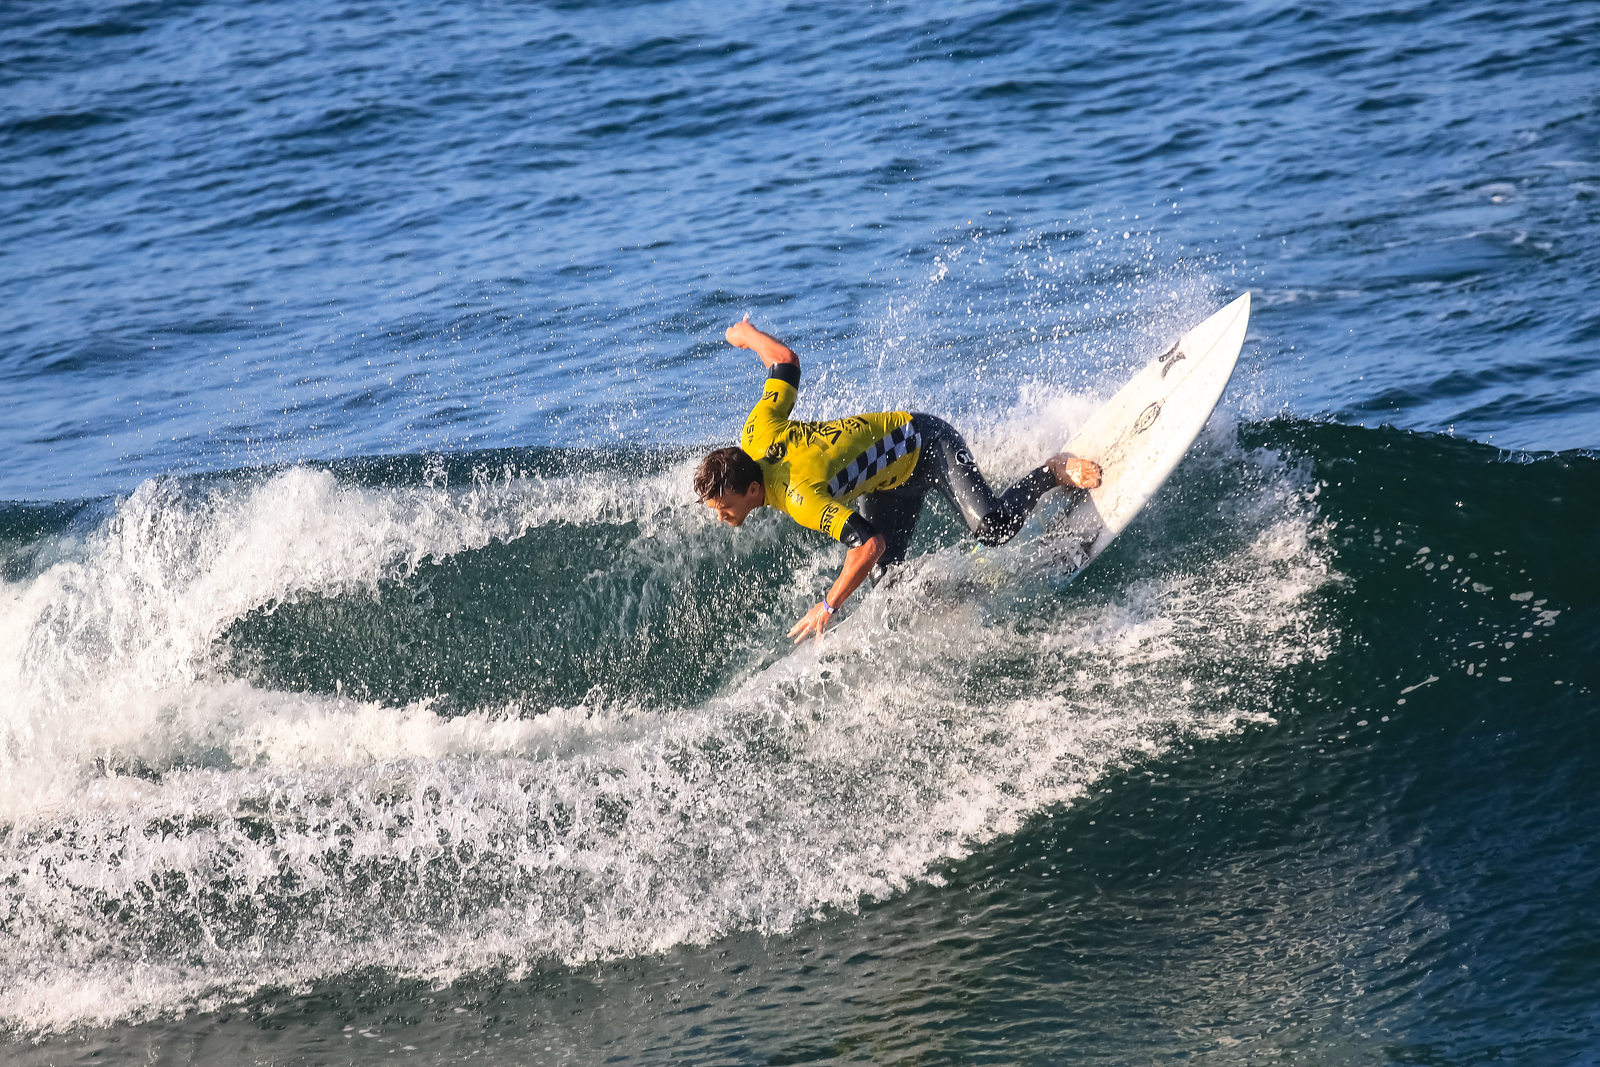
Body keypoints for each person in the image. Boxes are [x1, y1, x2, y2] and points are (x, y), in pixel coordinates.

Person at [695, 320, 1101, 643]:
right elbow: (784, 360)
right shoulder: (756, 433)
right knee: (892, 587)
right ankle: (962, 601)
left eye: (723, 505)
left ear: (752, 490)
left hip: (926, 445)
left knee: (992, 527)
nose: (721, 515)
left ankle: (1052, 471)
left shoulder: (800, 498)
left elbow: (869, 545)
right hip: (888, 484)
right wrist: (747, 336)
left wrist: (827, 606)